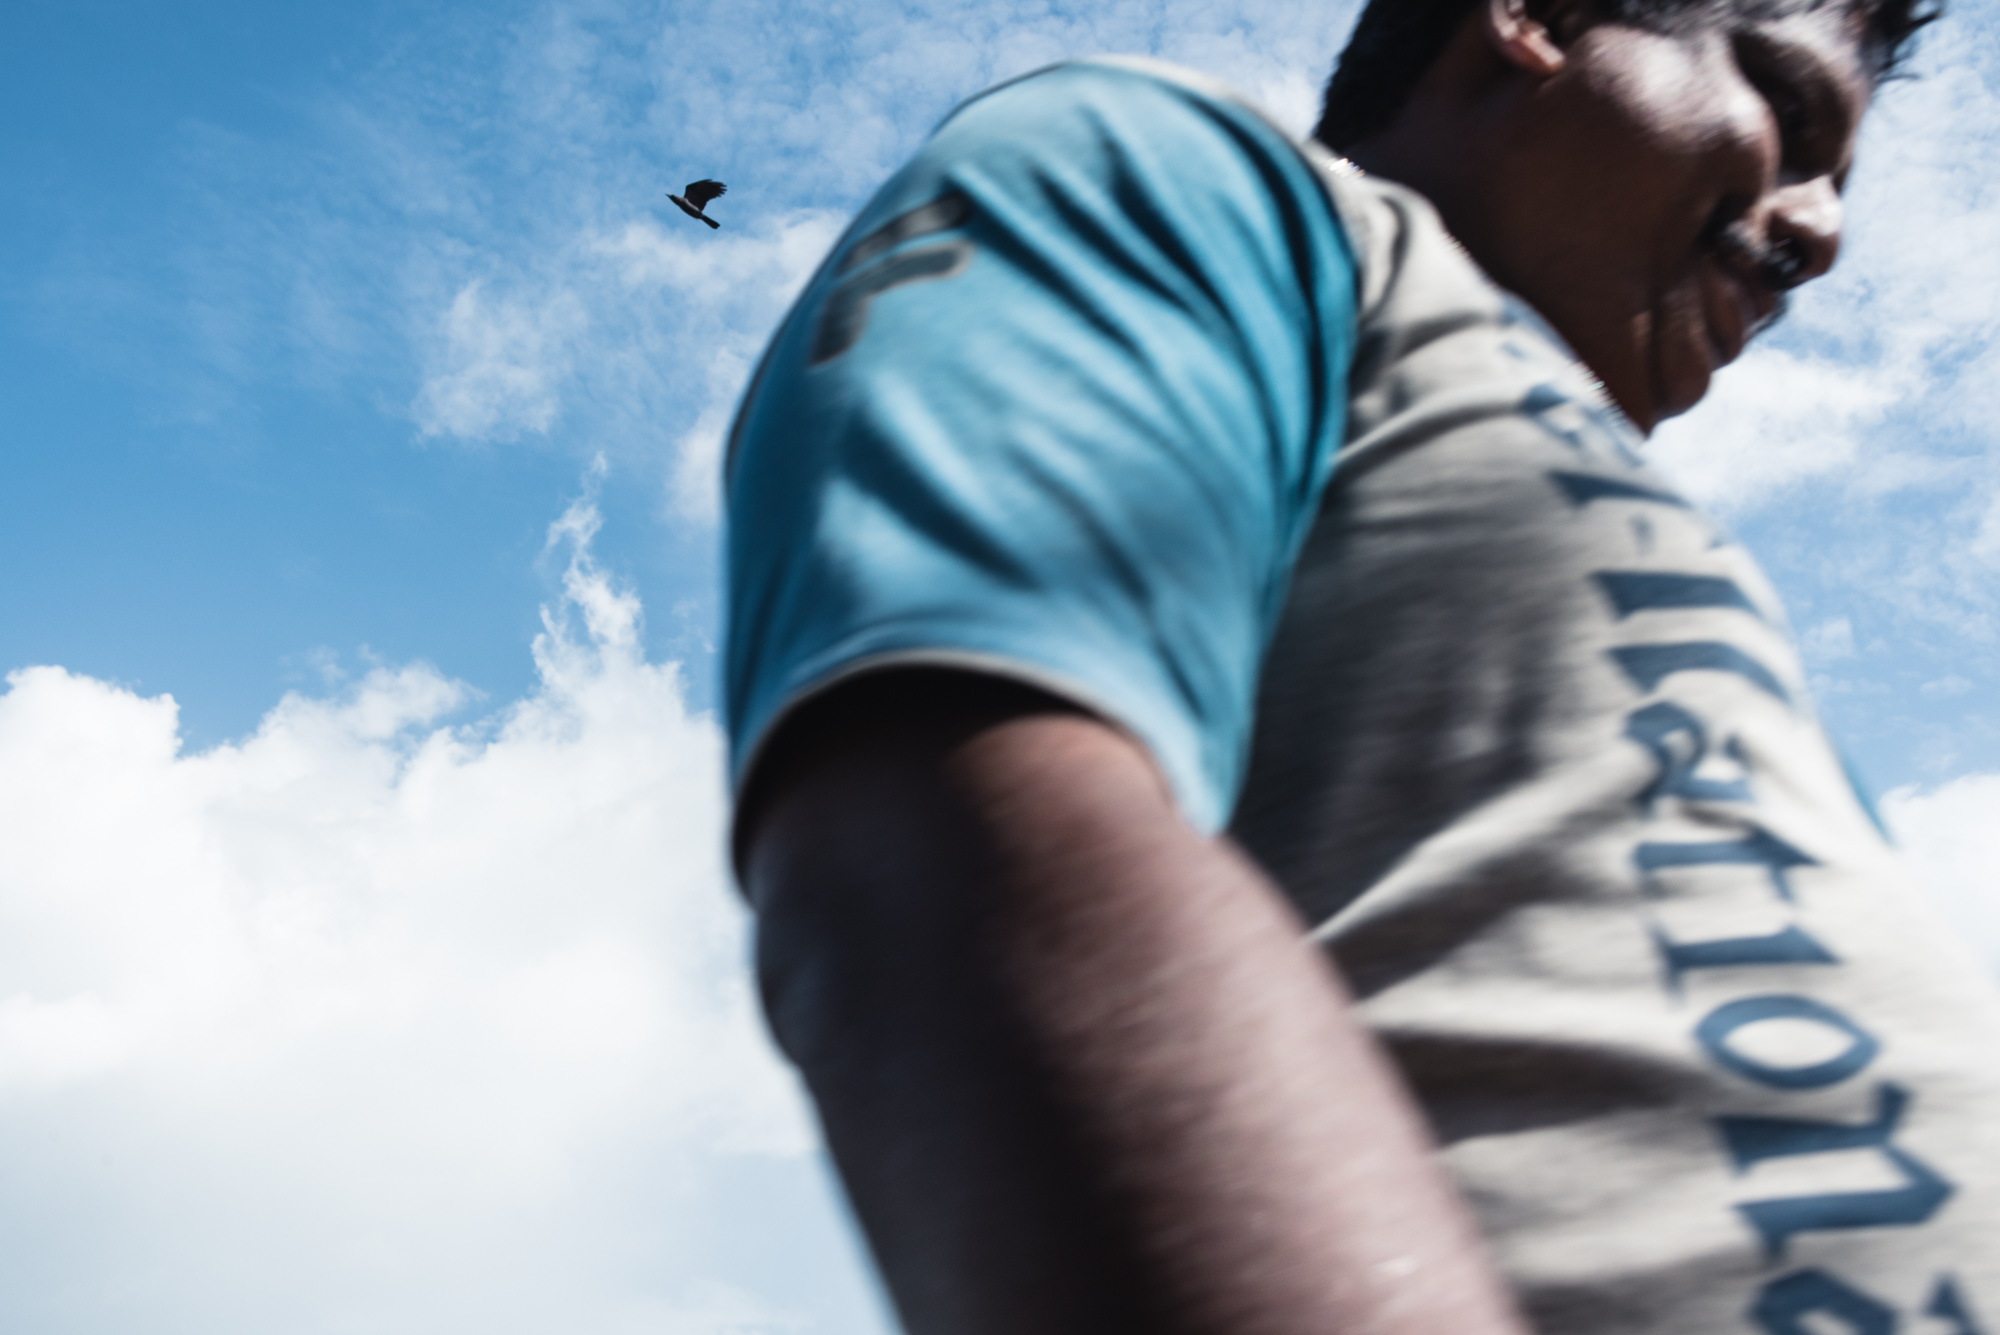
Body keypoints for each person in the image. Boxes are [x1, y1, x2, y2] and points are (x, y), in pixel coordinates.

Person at [722, 0, 2000, 1329]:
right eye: (1788, 116)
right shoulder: (1174, 175)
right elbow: (955, 839)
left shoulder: (1654, 573)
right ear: (1540, 18)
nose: (1822, 232)